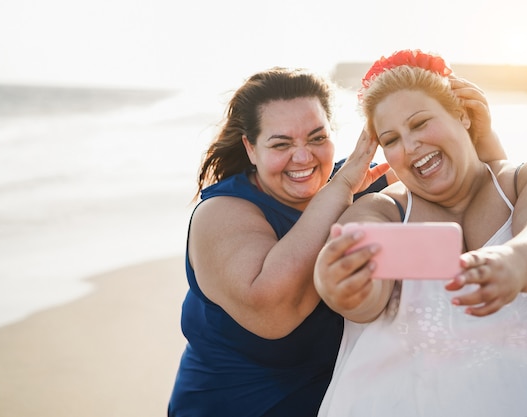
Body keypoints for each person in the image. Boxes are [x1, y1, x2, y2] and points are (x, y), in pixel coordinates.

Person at [167, 66, 505, 417]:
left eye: (316, 138)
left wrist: (478, 134)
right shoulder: (222, 213)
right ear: (250, 149)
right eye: (281, 144)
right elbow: (274, 309)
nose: (303, 157)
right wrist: (340, 188)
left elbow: (485, 218)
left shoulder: (366, 184)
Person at [313, 50, 527, 417]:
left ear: (462, 115)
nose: (410, 145)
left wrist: (516, 261)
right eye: (392, 139)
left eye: (419, 124)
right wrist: (339, 283)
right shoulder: (383, 210)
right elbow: (363, 285)